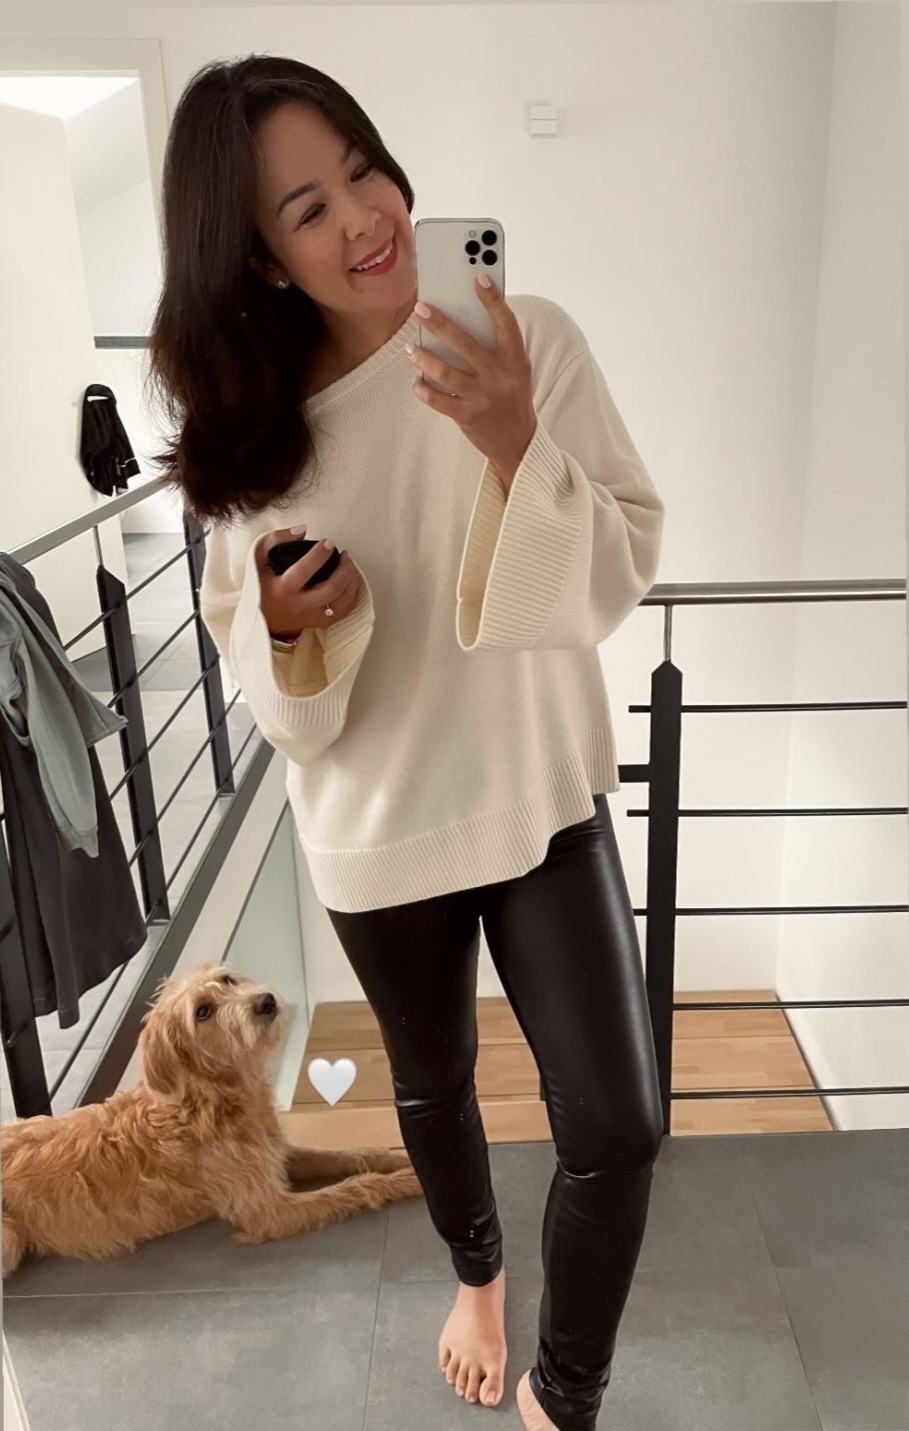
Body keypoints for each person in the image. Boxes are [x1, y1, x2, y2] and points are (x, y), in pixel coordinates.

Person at [149, 54, 665, 1431]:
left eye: (363, 170)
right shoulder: (251, 447)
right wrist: (281, 628)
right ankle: (478, 1282)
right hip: (379, 825)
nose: (363, 218)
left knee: (618, 1128)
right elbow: (289, 720)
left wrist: (514, 448)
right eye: (308, 208)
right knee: (433, 1087)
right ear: (260, 259)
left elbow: (615, 573)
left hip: (539, 792)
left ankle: (564, 1394)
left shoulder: (525, 341)